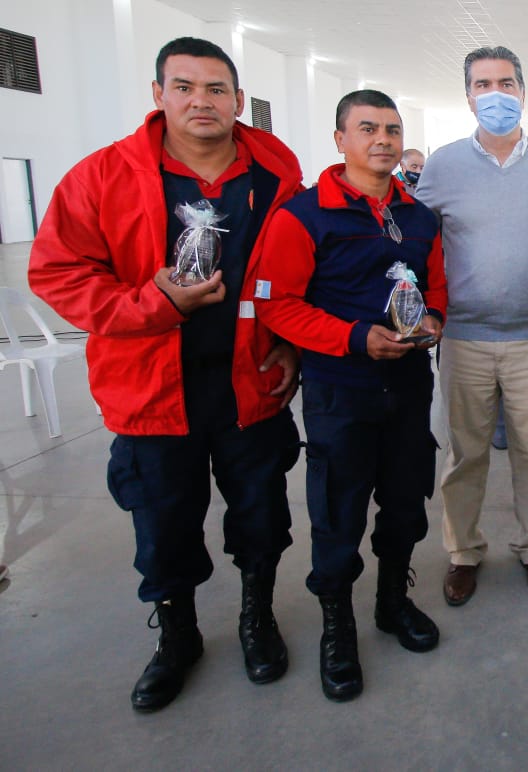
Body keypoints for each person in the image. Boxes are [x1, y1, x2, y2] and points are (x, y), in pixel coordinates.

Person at [28, 37, 304, 712]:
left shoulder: (275, 172)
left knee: (261, 514)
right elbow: (56, 273)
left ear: (239, 101)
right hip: (152, 385)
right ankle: (177, 636)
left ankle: (256, 617)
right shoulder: (102, 177)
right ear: (158, 95)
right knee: (163, 521)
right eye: (184, 87)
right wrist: (154, 304)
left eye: (216, 89)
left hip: (251, 381)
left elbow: (298, 270)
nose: (201, 101)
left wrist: (293, 343)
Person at [253, 90, 447, 702]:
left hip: (410, 385)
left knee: (406, 504)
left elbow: (437, 286)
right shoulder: (304, 215)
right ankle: (337, 625)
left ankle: (393, 601)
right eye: (367, 128)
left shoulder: (418, 217)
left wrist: (433, 320)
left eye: (392, 128)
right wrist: (354, 338)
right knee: (338, 513)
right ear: (341, 139)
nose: (383, 139)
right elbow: (275, 302)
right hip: (343, 390)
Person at [417, 46, 528, 606]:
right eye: (483, 84)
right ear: (467, 95)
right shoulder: (441, 165)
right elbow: (411, 243)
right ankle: (463, 551)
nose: (496, 94)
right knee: (465, 453)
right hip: (463, 337)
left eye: (506, 83)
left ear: (522, 91)